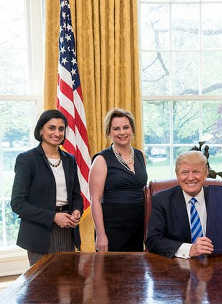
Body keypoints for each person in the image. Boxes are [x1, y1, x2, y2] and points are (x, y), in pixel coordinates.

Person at [11, 109, 83, 266]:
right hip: (40, 232)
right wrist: (53, 217)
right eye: (52, 128)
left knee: (67, 282)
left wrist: (77, 211)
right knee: (43, 286)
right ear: (41, 130)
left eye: (61, 129)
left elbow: (76, 195)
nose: (57, 133)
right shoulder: (27, 160)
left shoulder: (70, 160)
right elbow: (17, 203)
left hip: (67, 230)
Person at [89, 108, 147, 252]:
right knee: (111, 272)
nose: (122, 132)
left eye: (126, 127)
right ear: (109, 132)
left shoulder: (140, 156)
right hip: (112, 229)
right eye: (116, 128)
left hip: (138, 227)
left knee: (136, 271)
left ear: (132, 129)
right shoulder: (101, 159)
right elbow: (95, 200)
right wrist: (101, 235)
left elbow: (145, 191)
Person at [146, 151, 215, 258]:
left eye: (196, 171)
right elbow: (153, 240)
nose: (191, 177)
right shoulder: (162, 200)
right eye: (185, 172)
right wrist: (189, 249)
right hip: (177, 265)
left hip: (214, 261)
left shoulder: (218, 198)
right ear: (177, 175)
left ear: (206, 173)